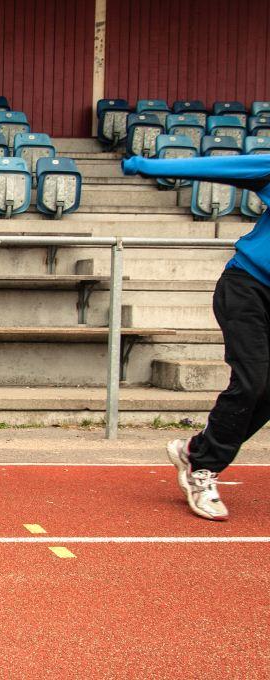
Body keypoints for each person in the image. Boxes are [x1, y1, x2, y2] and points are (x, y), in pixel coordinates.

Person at [122, 152, 270, 520]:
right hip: (248, 286)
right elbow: (220, 169)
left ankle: (196, 451)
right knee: (252, 382)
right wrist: (146, 165)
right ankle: (203, 468)